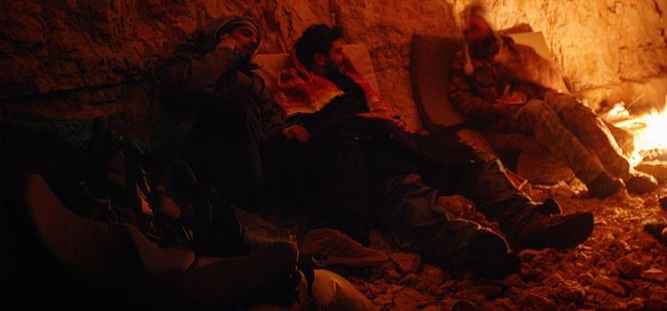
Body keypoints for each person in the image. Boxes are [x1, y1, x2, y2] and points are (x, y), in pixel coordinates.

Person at [272, 24, 595, 278]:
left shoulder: (353, 83)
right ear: (319, 58)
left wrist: (382, 123)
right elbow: (305, 131)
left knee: (473, 161)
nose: (344, 57)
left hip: (397, 141)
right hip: (365, 158)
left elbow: (385, 115)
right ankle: (468, 245)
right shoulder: (299, 87)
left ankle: (526, 221)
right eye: (338, 51)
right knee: (407, 194)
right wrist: (348, 123)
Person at [448, 4, 658, 198]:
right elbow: (461, 97)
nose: (475, 31)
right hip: (504, 115)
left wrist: (522, 82)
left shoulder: (509, 49)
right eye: (472, 27)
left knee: (572, 107)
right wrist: (493, 108)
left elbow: (537, 76)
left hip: (533, 97)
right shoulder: (464, 60)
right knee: (539, 112)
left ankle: (627, 174)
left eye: (480, 25)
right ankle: (595, 179)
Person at [156, 16, 281, 212]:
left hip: (247, 156)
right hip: (192, 153)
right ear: (223, 35)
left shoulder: (253, 81)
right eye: (246, 34)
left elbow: (271, 120)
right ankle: (253, 209)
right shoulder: (186, 63)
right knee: (235, 107)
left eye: (256, 40)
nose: (253, 42)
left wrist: (288, 130)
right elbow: (190, 85)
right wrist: (224, 52)